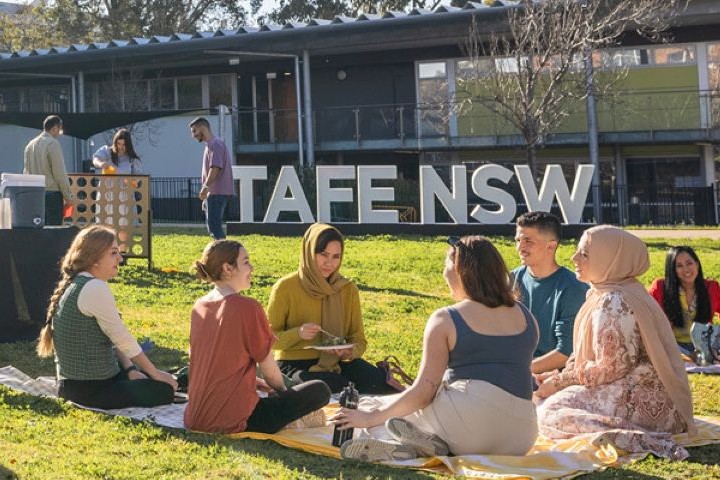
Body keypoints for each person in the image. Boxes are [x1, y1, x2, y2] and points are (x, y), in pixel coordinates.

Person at [332, 235, 539, 462]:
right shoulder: (526, 315)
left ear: (459, 270)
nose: (443, 273)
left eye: (446, 266)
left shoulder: (446, 319)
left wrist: (369, 419)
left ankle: (403, 445)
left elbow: (423, 393)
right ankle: (427, 444)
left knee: (379, 413)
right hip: (521, 436)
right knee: (397, 408)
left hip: (470, 425)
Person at [535, 226, 697, 460]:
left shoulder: (614, 301)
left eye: (585, 254)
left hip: (648, 403)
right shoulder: (616, 291)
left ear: (609, 259)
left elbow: (610, 369)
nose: (574, 258)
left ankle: (646, 439)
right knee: (547, 401)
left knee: (550, 412)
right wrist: (559, 378)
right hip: (657, 400)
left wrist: (559, 381)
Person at [184, 239, 330, 434]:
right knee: (319, 390)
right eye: (246, 262)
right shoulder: (247, 307)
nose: (251, 268)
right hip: (236, 420)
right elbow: (270, 372)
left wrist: (250, 382)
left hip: (194, 418)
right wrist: (283, 393)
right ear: (228, 268)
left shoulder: (199, 306)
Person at [36, 225, 177, 409]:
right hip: (91, 390)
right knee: (164, 390)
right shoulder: (94, 288)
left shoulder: (78, 282)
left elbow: (115, 338)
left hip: (76, 385)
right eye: (113, 253)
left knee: (159, 378)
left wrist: (131, 370)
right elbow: (122, 338)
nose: (120, 258)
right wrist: (156, 375)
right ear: (94, 259)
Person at [267, 223, 396, 394]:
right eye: (323, 254)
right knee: (332, 386)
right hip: (293, 363)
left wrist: (349, 352)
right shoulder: (285, 287)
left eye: (336, 256)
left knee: (382, 384)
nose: (329, 263)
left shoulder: (347, 288)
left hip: (337, 361)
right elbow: (266, 340)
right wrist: (298, 334)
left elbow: (359, 339)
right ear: (309, 252)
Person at [513, 211, 588, 375]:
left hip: (550, 377)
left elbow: (565, 352)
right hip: (513, 366)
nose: (520, 247)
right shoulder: (511, 279)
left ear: (551, 246)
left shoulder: (573, 288)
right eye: (518, 240)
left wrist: (516, 370)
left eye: (528, 241)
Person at [648, 246, 720, 356]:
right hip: (672, 347)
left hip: (705, 345)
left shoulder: (711, 287)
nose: (686, 269)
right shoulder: (660, 288)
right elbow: (645, 317)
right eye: (679, 266)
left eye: (689, 263)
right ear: (672, 270)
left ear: (697, 264)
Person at [23, 115, 74, 225]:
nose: (59, 133)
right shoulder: (53, 143)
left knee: (38, 232)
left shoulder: (29, 145)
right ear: (55, 128)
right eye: (59, 130)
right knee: (53, 234)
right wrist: (68, 196)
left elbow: (26, 172)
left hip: (35, 195)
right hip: (52, 196)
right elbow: (59, 173)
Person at [189, 117, 235, 240]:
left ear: (203, 128)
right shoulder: (210, 145)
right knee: (214, 227)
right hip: (214, 193)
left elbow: (215, 167)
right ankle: (222, 253)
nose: (193, 135)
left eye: (194, 131)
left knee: (214, 227)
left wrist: (205, 187)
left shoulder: (215, 144)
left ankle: (224, 254)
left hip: (217, 192)